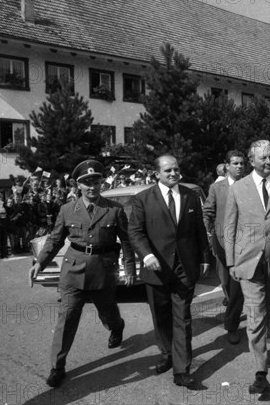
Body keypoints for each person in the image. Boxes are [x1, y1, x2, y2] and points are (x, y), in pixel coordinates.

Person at [28, 160, 136, 388]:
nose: (92, 187)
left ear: (101, 183)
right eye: (86, 183)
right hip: (73, 269)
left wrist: (129, 268)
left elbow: (126, 241)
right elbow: (56, 239)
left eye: (95, 182)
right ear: (78, 185)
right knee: (66, 318)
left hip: (103, 269)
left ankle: (117, 327)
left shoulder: (114, 210)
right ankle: (57, 367)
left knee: (108, 312)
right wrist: (40, 262)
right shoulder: (67, 210)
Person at [224, 139, 270, 394]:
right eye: (263, 157)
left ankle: (260, 351)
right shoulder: (238, 189)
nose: (268, 161)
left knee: (267, 308)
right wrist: (231, 262)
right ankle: (260, 372)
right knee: (255, 315)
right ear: (251, 160)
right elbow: (229, 227)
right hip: (248, 263)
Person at [128, 155, 210, 389]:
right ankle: (166, 353)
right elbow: (135, 232)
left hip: (184, 267)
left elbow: (199, 231)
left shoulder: (190, 195)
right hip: (156, 269)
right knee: (161, 317)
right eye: (168, 171)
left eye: (176, 169)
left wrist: (204, 258)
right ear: (157, 174)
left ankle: (182, 370)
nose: (173, 174)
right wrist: (147, 255)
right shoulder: (142, 199)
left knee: (182, 318)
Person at [202, 150, 246, 345]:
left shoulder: (250, 185)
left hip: (244, 244)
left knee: (237, 288)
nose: (239, 166)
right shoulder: (217, 188)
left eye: (242, 163)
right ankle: (232, 311)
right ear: (227, 166)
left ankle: (232, 325)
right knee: (227, 284)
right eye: (235, 163)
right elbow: (208, 212)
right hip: (221, 244)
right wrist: (209, 233)